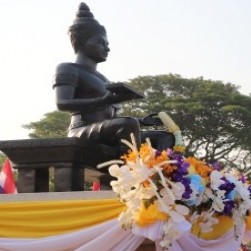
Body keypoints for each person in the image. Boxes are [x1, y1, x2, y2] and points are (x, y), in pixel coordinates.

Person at [54, 3, 173, 155]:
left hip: (107, 130)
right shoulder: (67, 68)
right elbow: (62, 103)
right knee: (128, 124)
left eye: (107, 44)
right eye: (101, 42)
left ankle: (157, 175)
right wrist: (104, 100)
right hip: (81, 129)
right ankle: (131, 172)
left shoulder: (103, 79)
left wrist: (142, 121)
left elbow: (111, 117)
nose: (107, 48)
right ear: (81, 42)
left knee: (164, 137)